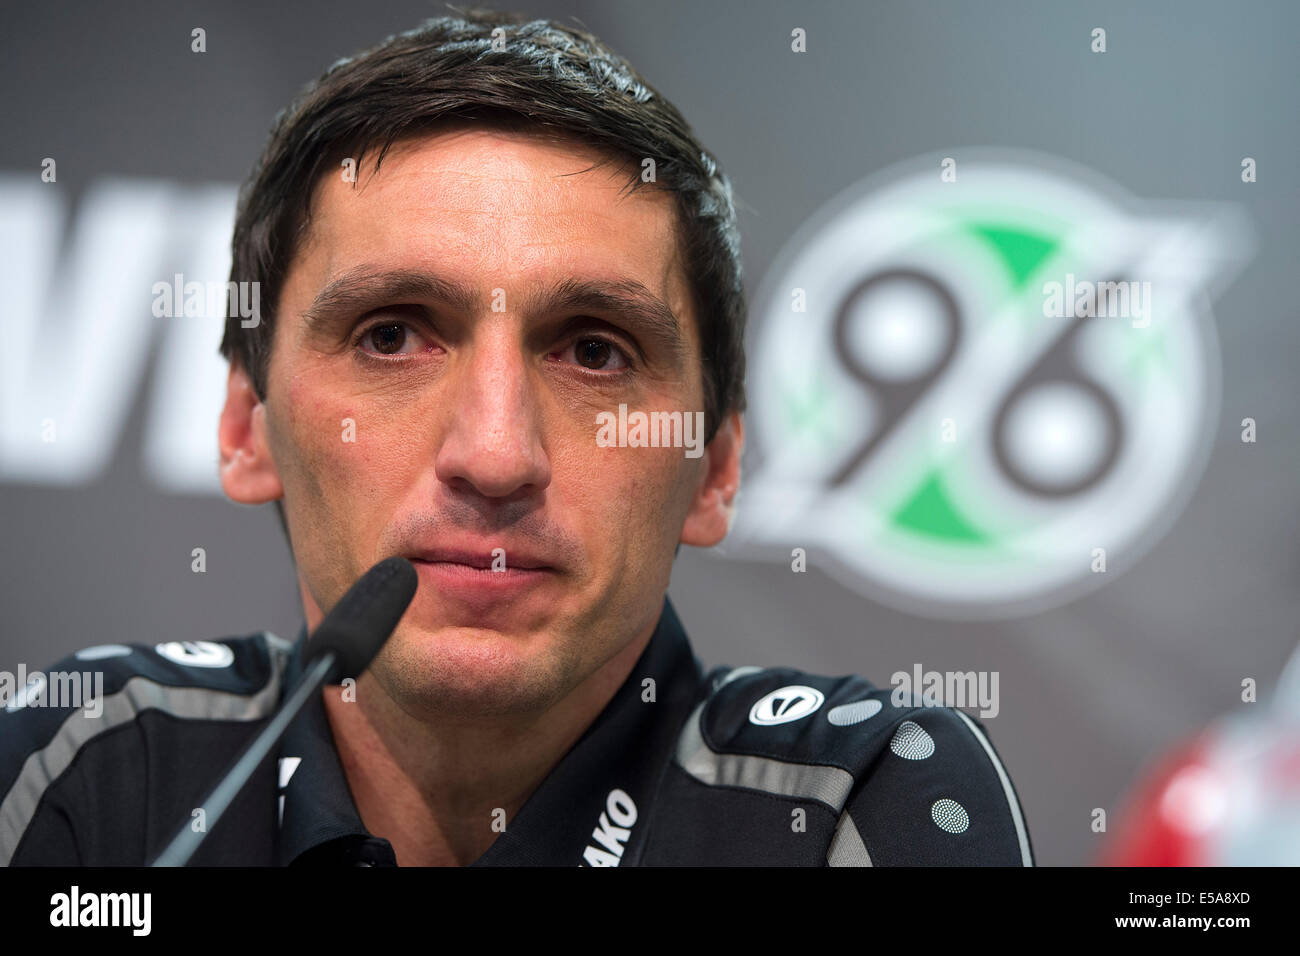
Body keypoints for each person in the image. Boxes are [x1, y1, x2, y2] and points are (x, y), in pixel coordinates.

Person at [0, 10, 1032, 866]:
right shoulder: (89, 766)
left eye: (593, 352)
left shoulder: (851, 799)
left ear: (715, 467)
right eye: (392, 334)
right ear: (245, 426)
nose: (494, 457)